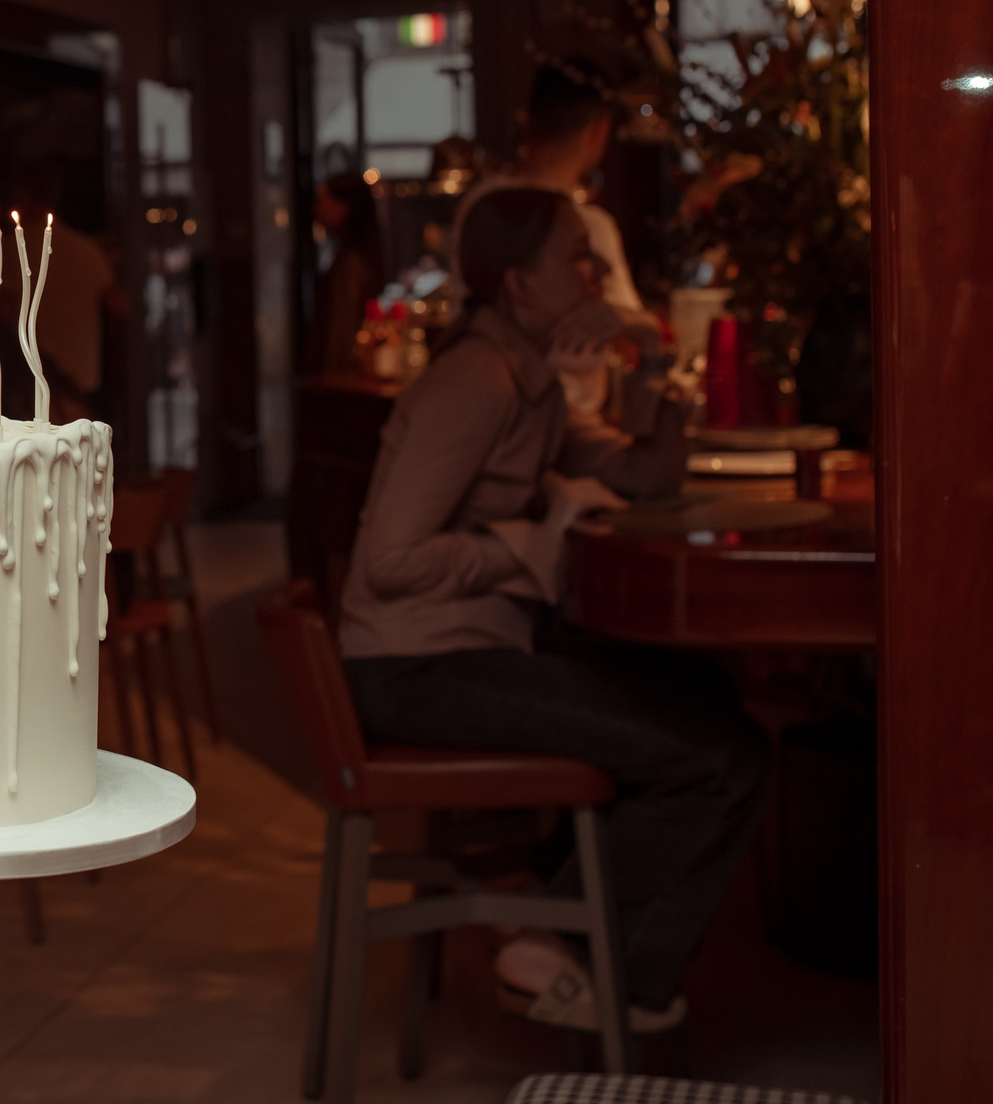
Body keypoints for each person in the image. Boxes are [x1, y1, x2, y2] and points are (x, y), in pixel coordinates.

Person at [340, 186, 769, 1034]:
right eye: (579, 254)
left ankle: (556, 918)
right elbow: (385, 562)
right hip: (414, 666)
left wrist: (647, 360)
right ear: (519, 287)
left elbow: (649, 477)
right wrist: (527, 544)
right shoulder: (475, 381)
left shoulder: (528, 380)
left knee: (710, 698)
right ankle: (587, 958)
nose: (600, 270)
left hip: (468, 647)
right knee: (722, 755)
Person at [452, 60, 663, 420]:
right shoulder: (584, 223)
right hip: (563, 419)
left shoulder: (477, 205)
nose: (599, 270)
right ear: (598, 131)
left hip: (488, 407)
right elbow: (628, 338)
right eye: (581, 256)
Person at [3, 160, 124, 423]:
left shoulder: (12, 250)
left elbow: (3, 311)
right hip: (81, 372)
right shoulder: (86, 250)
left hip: (33, 373)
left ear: (22, 195)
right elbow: (118, 305)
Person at [304, 171, 386, 380]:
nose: (316, 209)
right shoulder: (353, 255)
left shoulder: (352, 263)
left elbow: (341, 332)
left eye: (323, 200)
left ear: (344, 207)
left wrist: (332, 376)